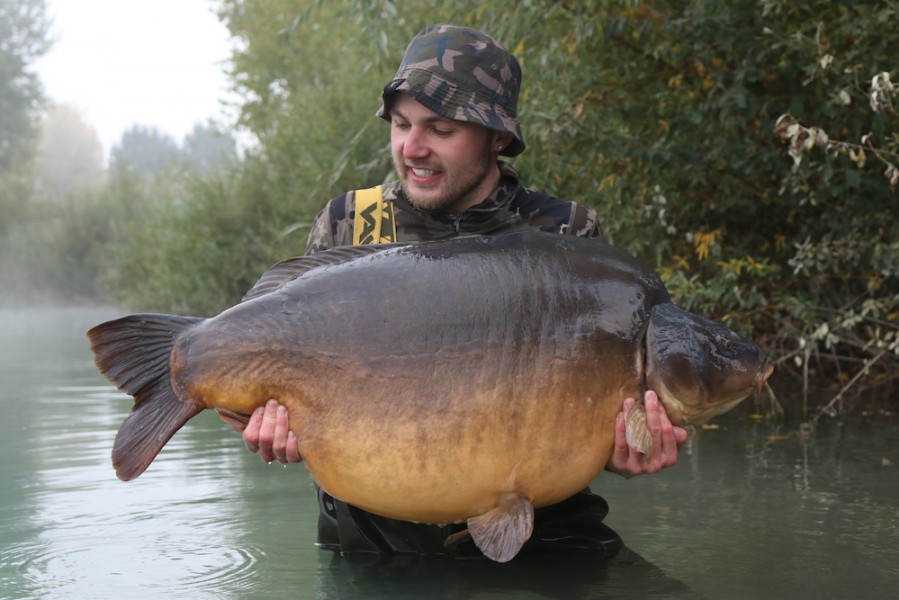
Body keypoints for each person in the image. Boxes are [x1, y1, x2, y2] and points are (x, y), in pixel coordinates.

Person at [228, 24, 687, 557]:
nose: (412, 148)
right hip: (378, 539)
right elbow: (281, 380)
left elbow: (585, 412)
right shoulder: (351, 222)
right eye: (401, 125)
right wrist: (270, 429)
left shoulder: (566, 236)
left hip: (546, 531)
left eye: (440, 129)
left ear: (498, 137)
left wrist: (624, 449)